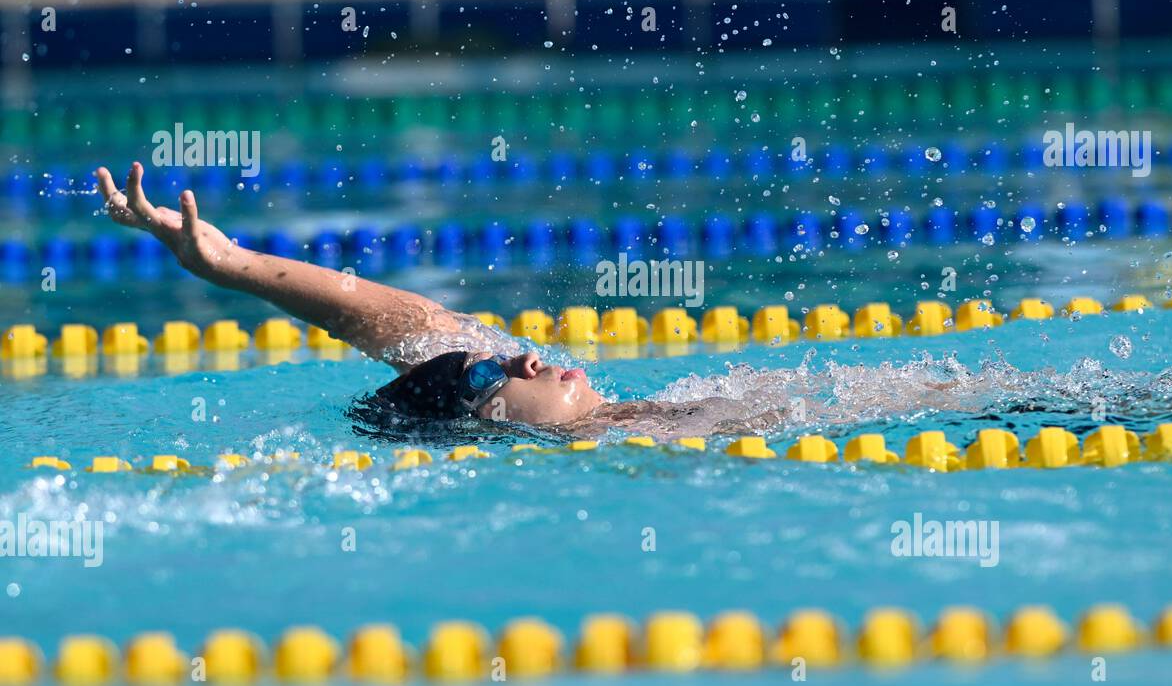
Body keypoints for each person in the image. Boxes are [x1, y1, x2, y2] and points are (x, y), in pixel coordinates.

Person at [96, 163, 792, 440]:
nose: (522, 359)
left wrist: (234, 265)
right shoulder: (598, 457)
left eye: (497, 360)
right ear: (479, 426)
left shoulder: (635, 417)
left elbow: (370, 314)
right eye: (488, 376)